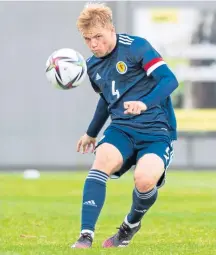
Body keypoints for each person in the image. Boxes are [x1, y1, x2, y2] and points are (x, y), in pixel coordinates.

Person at [71, 2, 178, 249]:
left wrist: (144, 103)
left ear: (112, 29)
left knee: (143, 180)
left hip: (156, 130)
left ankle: (130, 225)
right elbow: (106, 100)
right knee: (102, 160)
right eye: (88, 39)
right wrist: (91, 132)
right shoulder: (92, 67)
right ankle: (85, 235)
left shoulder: (136, 46)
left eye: (98, 37)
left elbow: (170, 80)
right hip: (122, 128)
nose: (93, 44)